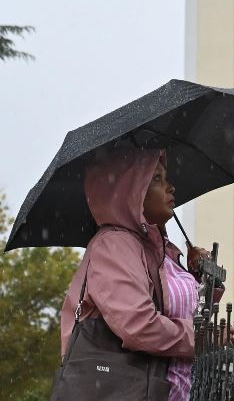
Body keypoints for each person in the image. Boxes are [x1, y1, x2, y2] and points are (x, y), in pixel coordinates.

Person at [60, 148, 219, 401]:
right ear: (130, 191)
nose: (171, 187)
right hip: (118, 389)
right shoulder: (114, 246)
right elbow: (139, 325)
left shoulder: (159, 249)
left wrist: (203, 279)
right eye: (156, 178)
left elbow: (180, 315)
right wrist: (201, 338)